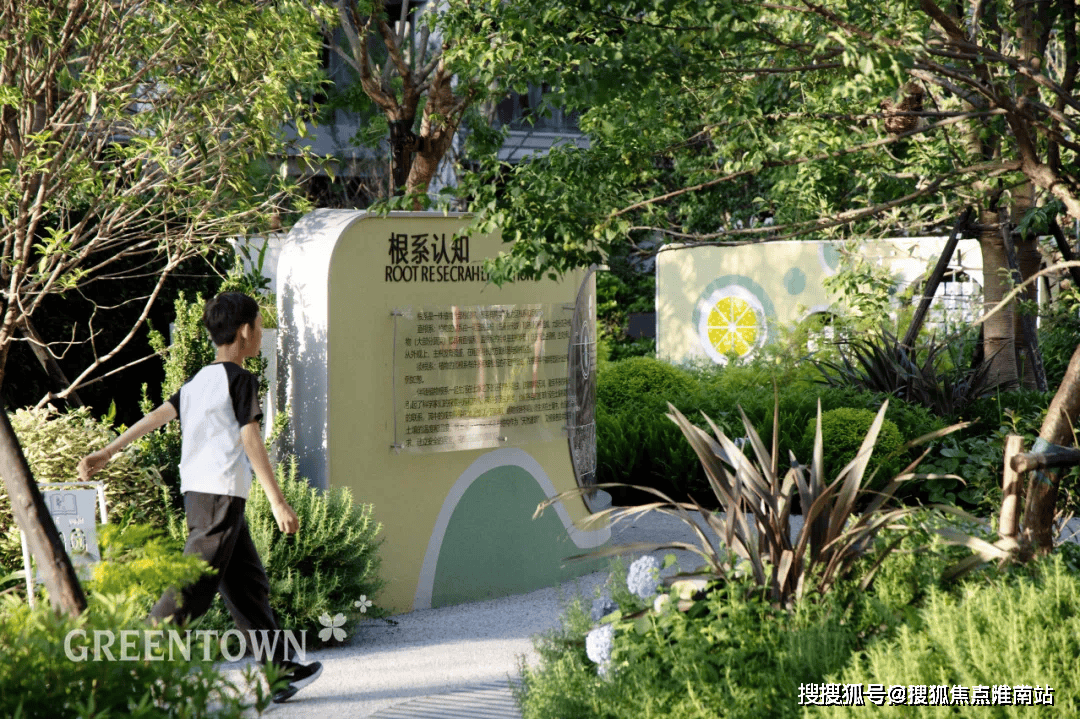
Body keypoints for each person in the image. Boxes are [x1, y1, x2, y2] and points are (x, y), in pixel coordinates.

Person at [77, 291, 321, 704]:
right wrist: (278, 501)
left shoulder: (197, 382)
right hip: (220, 495)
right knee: (192, 587)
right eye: (260, 326)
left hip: (202, 496)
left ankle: (281, 672)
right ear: (244, 332)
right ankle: (131, 665)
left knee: (247, 586)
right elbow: (250, 438)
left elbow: (157, 416)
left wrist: (109, 450)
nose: (262, 333)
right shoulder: (240, 379)